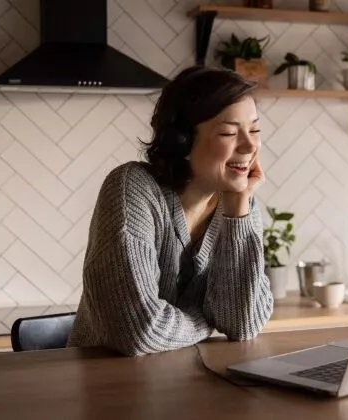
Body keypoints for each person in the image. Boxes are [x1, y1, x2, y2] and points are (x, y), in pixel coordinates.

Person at [67, 66, 274, 356]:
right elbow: (139, 331)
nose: (250, 145)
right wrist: (206, 320)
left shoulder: (239, 204)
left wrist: (238, 210)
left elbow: (243, 325)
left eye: (254, 129)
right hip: (107, 385)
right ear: (182, 142)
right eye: (228, 132)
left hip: (187, 383)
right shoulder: (132, 188)